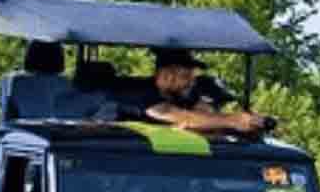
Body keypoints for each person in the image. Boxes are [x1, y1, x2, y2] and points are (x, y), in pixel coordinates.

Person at [100, 48, 268, 137]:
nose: (191, 81)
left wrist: (248, 125)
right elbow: (181, 117)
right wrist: (232, 120)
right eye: (186, 76)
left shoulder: (181, 96)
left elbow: (204, 117)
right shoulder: (140, 93)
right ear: (167, 75)